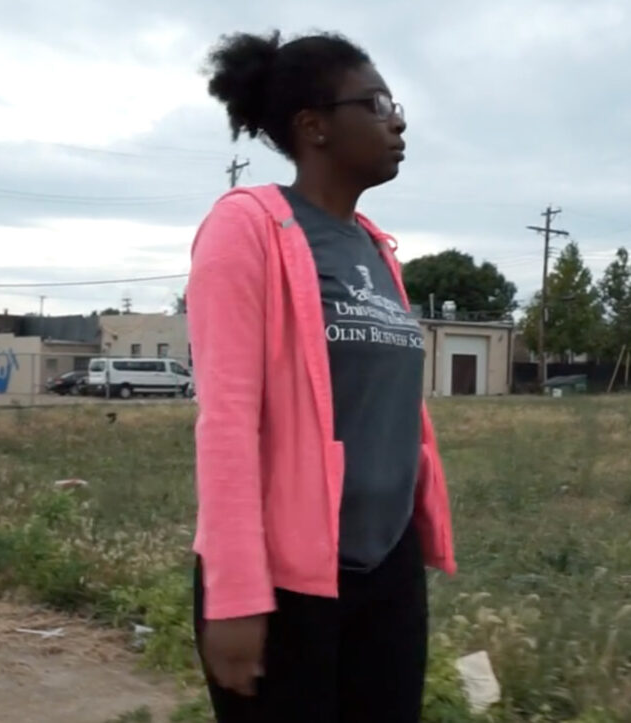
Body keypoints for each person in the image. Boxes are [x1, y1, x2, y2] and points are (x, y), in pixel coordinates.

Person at [186, 31, 456, 723]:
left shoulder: (373, 246)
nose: (397, 120)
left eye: (395, 104)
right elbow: (227, 421)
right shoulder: (248, 227)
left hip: (387, 565)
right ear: (314, 127)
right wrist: (236, 593)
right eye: (375, 103)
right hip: (288, 578)